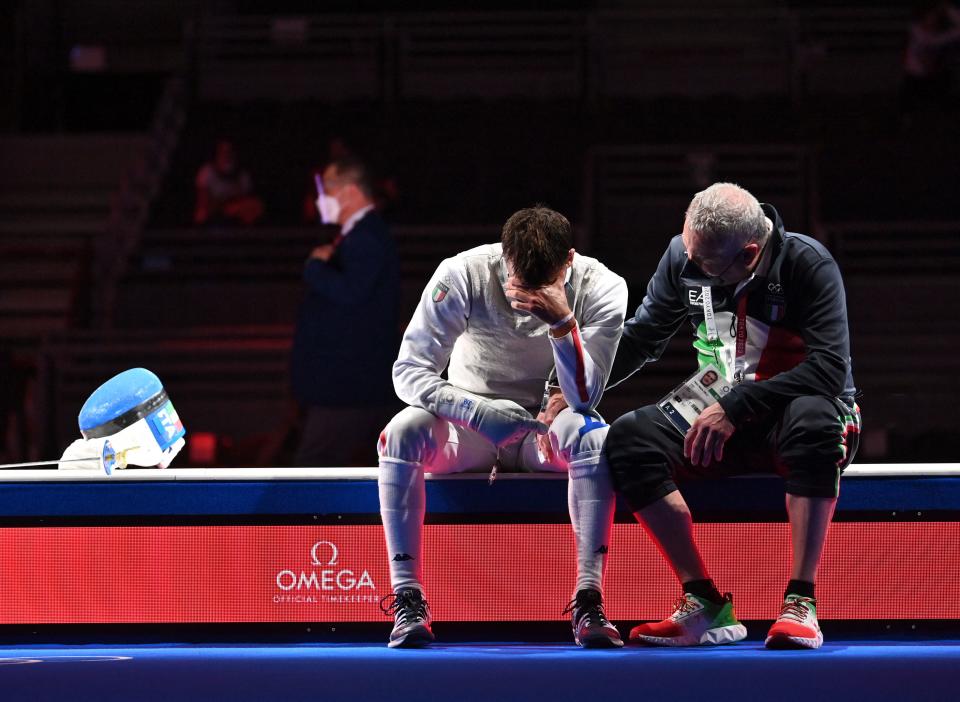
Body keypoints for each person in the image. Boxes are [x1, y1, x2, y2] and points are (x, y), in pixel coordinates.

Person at [604, 182, 860, 650]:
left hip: (800, 404)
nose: (689, 265)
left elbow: (828, 368)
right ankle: (702, 601)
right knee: (627, 439)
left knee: (815, 422)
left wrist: (737, 405)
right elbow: (642, 338)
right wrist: (570, 385)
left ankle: (801, 601)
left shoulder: (808, 262)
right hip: (715, 396)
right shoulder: (687, 254)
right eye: (687, 250)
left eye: (703, 263)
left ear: (748, 254)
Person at [376, 205, 628, 648]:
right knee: (401, 432)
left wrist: (562, 322)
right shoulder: (461, 274)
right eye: (518, 279)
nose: (525, 295)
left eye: (540, 284)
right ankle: (407, 599)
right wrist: (474, 411)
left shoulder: (603, 287)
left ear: (568, 261)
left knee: (596, 437)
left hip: (544, 431)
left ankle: (590, 598)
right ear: (504, 255)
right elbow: (408, 372)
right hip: (468, 431)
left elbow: (585, 398)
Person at [291, 155, 400, 466]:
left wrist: (314, 267)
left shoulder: (366, 236)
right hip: (345, 386)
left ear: (350, 192)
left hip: (347, 389)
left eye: (326, 190)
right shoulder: (359, 235)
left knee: (312, 470)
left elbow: (352, 292)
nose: (320, 199)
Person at [193, 139, 264, 226]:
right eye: (223, 151)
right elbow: (202, 198)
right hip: (214, 209)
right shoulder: (207, 171)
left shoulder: (241, 174)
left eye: (229, 151)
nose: (226, 155)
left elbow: (245, 197)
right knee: (201, 213)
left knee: (254, 207)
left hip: (235, 210)